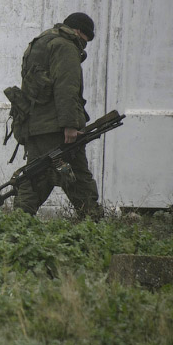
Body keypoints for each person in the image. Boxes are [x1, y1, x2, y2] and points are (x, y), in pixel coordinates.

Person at [12, 12, 103, 219]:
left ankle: (16, 222)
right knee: (78, 178)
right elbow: (66, 88)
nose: (84, 45)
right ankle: (94, 224)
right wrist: (70, 125)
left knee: (36, 177)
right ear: (78, 31)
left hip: (36, 126)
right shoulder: (66, 46)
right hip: (57, 128)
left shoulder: (42, 42)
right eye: (86, 39)